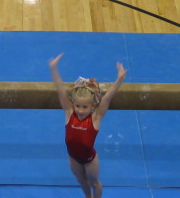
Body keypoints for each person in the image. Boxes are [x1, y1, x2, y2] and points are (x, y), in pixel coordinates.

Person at [49, 53, 127, 198]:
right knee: (82, 181)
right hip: (73, 159)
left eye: (85, 107)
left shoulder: (95, 118)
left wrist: (120, 79)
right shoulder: (69, 113)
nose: (80, 110)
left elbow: (107, 99)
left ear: (92, 106)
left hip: (90, 160)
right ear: (73, 103)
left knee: (94, 183)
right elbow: (60, 90)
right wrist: (53, 69)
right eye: (77, 106)